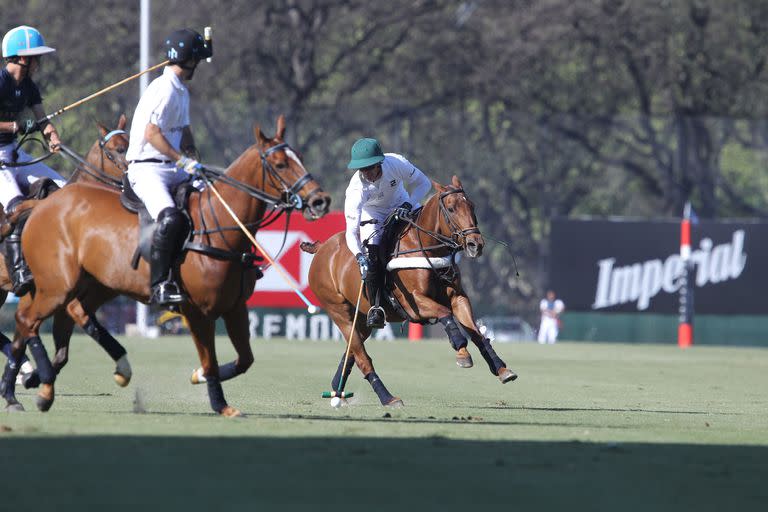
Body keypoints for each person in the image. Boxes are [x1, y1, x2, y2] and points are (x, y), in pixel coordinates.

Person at [125, 28, 211, 306]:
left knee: (211, 199)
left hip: (173, 167)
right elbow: (152, 134)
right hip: (147, 169)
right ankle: (160, 284)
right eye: (197, 58)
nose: (199, 63)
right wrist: (182, 160)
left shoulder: (180, 89)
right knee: (171, 218)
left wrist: (194, 157)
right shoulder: (164, 89)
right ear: (189, 60)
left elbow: (183, 131)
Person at [0, 25, 66, 296]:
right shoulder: (0, 81)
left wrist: (52, 135)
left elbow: (40, 118)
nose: (40, 62)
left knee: (63, 188)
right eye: (37, 56)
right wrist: (14, 126)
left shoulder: (29, 85)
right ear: (23, 58)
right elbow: (20, 124)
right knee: (17, 206)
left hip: (15, 153)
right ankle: (18, 269)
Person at [344, 137, 431, 328]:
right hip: (373, 212)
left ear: (379, 163)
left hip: (402, 203)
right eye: (362, 169)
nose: (366, 173)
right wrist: (360, 256)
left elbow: (424, 184)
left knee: (428, 232)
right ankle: (376, 308)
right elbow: (350, 232)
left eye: (369, 168)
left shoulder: (396, 163)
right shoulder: (356, 190)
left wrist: (408, 204)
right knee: (373, 254)